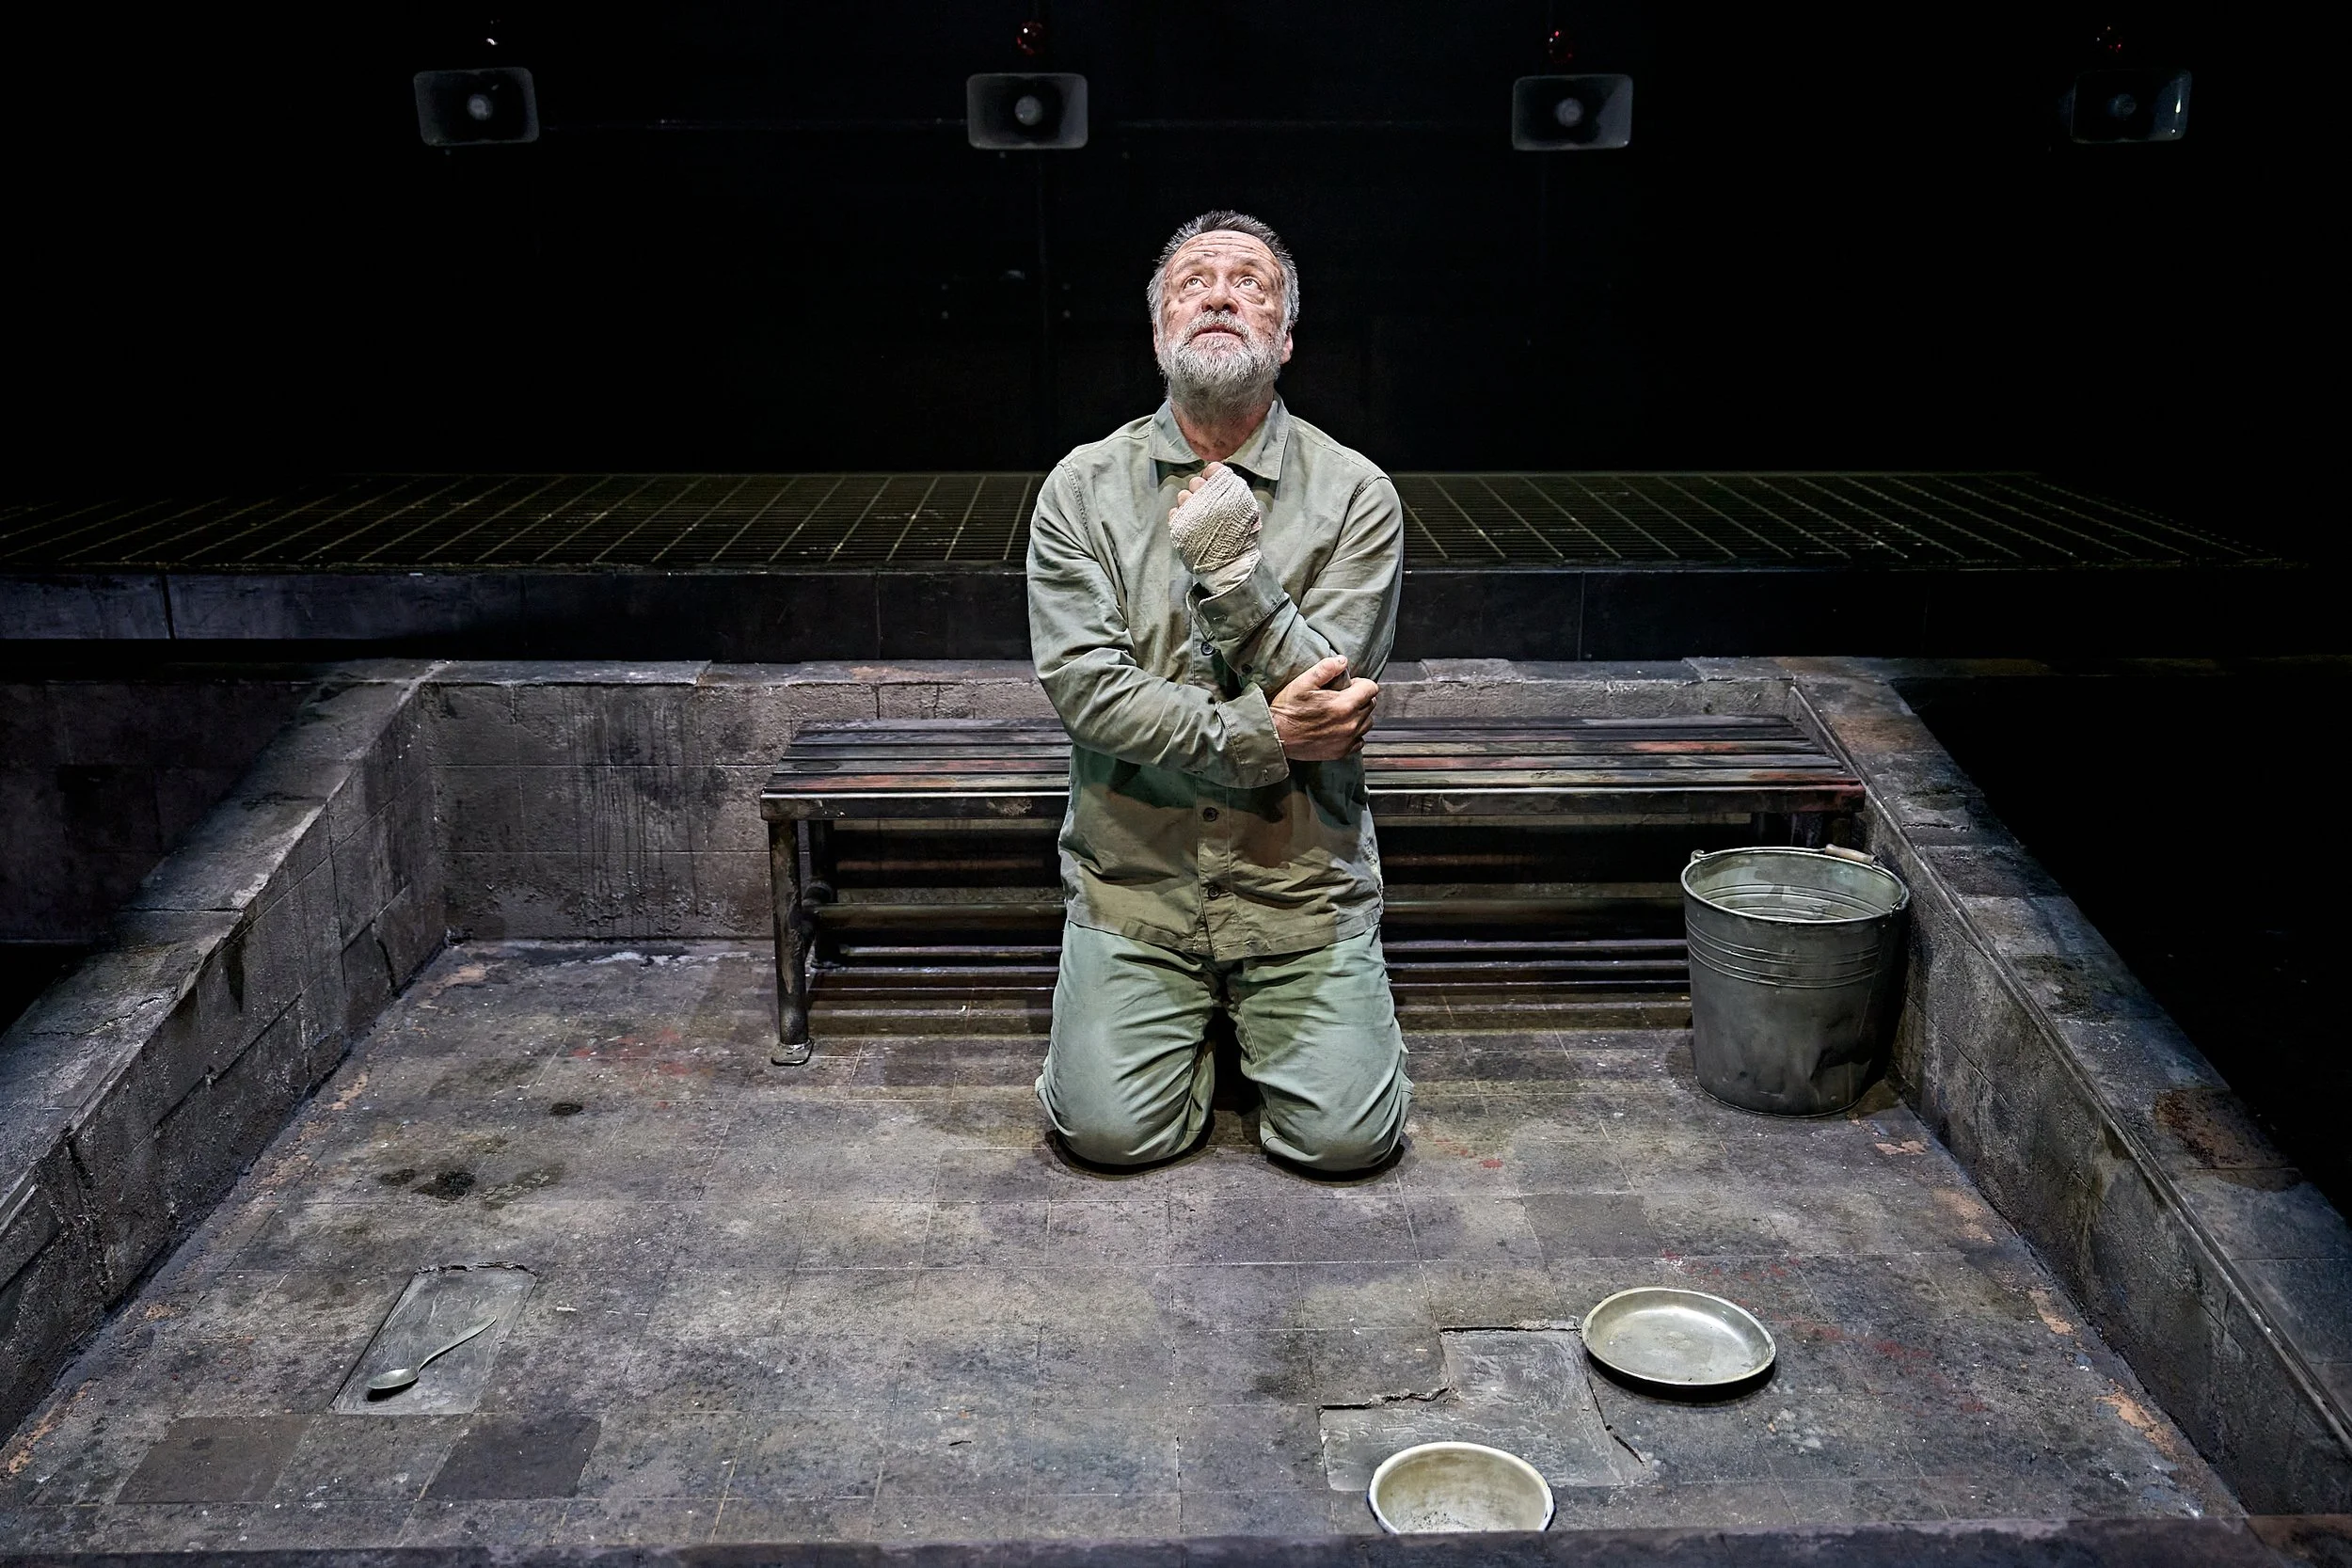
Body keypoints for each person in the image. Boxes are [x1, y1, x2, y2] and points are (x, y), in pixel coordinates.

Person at [1025, 209, 1410, 1174]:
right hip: (1138, 883)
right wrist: (1261, 734)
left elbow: (1332, 692)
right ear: (1160, 332)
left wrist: (1237, 578)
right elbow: (1088, 691)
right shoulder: (1082, 488)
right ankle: (1186, 1042)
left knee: (1347, 1143)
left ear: (1285, 337)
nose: (1221, 297)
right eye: (1193, 284)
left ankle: (1272, 1033)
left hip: (1296, 884)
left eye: (1251, 284)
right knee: (1109, 1135)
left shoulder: (1355, 493)